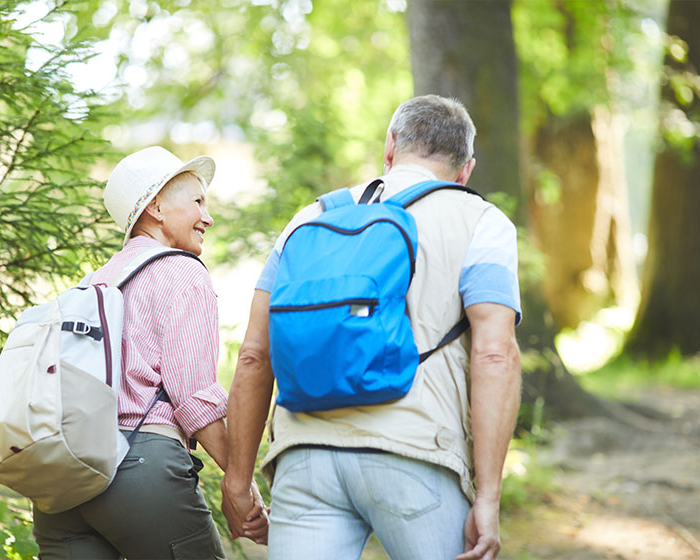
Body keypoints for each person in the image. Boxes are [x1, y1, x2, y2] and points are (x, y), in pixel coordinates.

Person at [221, 95, 522, 560]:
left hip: (306, 456)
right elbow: (495, 354)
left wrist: (237, 481)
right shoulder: (482, 223)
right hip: (416, 454)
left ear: (390, 147)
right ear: (466, 170)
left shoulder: (309, 218)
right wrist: (488, 496)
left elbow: (254, 355)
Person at [33, 146, 268, 559]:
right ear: (157, 206)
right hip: (138, 469)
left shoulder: (93, 283)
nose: (207, 217)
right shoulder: (181, 270)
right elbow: (195, 399)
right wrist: (241, 485)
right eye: (197, 201)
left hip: (62, 481)